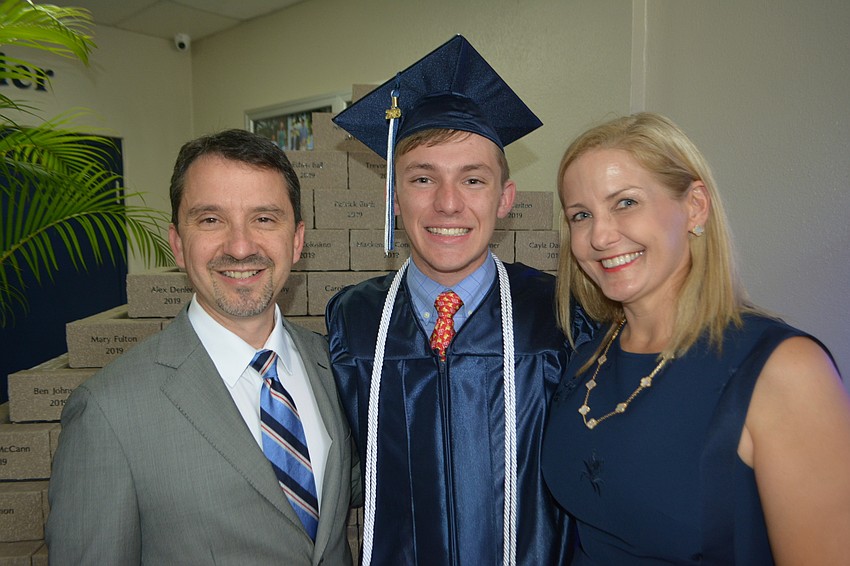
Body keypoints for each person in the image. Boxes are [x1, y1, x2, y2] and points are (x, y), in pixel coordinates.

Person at [326, 35, 594, 565]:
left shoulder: (560, 312)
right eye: (423, 179)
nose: (447, 204)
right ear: (394, 199)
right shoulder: (353, 319)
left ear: (504, 199)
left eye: (473, 180)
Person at [541, 112, 850, 564]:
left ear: (695, 206)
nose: (600, 235)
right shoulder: (588, 358)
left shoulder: (781, 370)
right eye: (581, 215)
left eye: (626, 202)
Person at [46, 129, 360, 565]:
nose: (240, 246)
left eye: (264, 218)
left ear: (297, 240)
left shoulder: (338, 367)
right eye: (210, 219)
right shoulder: (107, 412)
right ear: (177, 243)